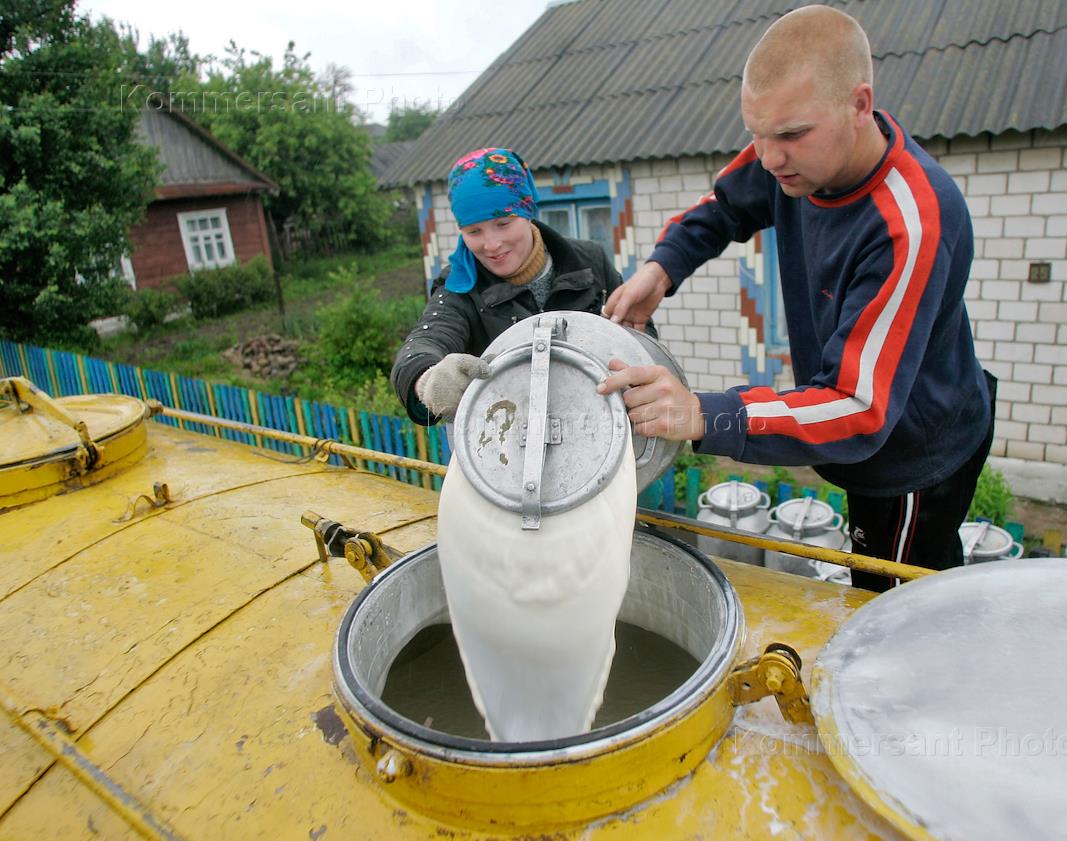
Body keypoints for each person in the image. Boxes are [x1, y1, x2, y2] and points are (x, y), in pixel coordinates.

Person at [598, 5, 997, 592]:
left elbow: (858, 407)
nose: (768, 157)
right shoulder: (789, 160)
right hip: (866, 444)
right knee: (867, 576)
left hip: (916, 455)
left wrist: (709, 413)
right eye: (756, 133)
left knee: (906, 601)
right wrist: (662, 267)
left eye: (789, 135)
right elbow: (724, 206)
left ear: (859, 105)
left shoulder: (909, 222)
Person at [391, 146, 631, 423]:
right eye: (473, 231)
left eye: (503, 223)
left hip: (595, 431)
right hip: (500, 448)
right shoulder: (459, 287)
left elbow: (637, 337)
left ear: (527, 211)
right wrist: (427, 380)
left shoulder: (590, 262)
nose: (491, 244)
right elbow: (421, 346)